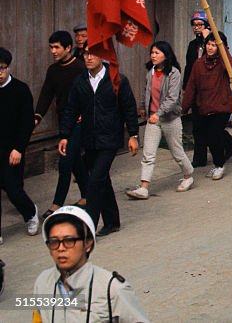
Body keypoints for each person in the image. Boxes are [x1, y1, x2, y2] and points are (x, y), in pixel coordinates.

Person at [60, 48, 140, 236]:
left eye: (92, 53)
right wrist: (64, 135)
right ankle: (112, 221)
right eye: (85, 54)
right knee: (102, 179)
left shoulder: (117, 79)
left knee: (94, 181)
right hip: (89, 139)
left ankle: (89, 226)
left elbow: (129, 107)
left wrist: (133, 135)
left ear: (103, 55)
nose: (88, 57)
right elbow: (70, 109)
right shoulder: (80, 81)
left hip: (110, 138)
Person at [33, 206, 149, 323]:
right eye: (54, 242)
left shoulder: (112, 288)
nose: (61, 248)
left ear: (88, 244)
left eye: (69, 241)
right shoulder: (43, 282)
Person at [126, 42, 193, 199]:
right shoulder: (151, 72)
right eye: (152, 52)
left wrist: (159, 112)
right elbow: (146, 92)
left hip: (170, 119)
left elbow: (172, 98)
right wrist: (143, 107)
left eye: (157, 53)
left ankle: (188, 175)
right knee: (148, 154)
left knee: (177, 152)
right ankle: (143, 187)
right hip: (153, 119)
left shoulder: (174, 73)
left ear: (166, 54)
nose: (153, 55)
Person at [34, 31, 88, 219]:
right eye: (51, 47)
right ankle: (87, 196)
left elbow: (91, 94)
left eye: (57, 47)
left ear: (68, 48)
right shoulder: (53, 70)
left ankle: (57, 204)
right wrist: (37, 116)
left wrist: (85, 113)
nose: (53, 51)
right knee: (75, 161)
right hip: (63, 121)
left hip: (79, 122)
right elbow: (46, 94)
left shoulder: (81, 68)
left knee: (65, 161)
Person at [182, 33, 232, 178]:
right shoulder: (199, 63)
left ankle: (219, 165)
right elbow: (191, 87)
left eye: (214, 45)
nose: (210, 48)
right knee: (209, 136)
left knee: (214, 136)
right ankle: (227, 145)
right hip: (204, 107)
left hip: (222, 106)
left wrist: (222, 48)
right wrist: (183, 108)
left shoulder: (223, 62)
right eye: (208, 44)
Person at [0, 47, 41, 237]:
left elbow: (26, 124)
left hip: (12, 150)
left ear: (9, 68)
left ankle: (31, 213)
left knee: (13, 190)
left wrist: (18, 148)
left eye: (2, 68)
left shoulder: (20, 90)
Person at [182, 11, 211, 86]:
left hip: (209, 83)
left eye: (200, 24)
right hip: (195, 83)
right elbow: (188, 66)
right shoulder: (192, 44)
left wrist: (207, 39)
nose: (196, 28)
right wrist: (185, 86)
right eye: (194, 25)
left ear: (207, 26)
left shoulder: (214, 43)